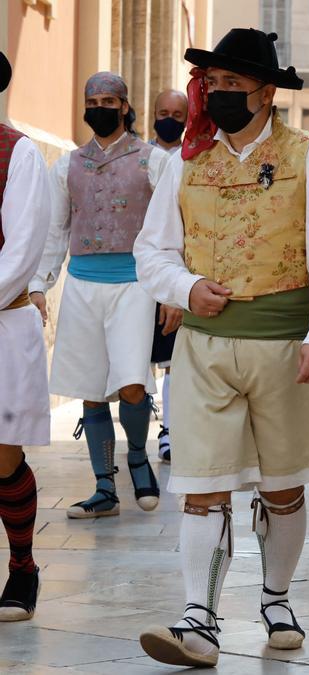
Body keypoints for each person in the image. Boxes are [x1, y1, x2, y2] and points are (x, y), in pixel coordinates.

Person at [133, 28, 309, 667]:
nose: (221, 94)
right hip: (204, 349)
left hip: (284, 344)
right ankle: (198, 621)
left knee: (282, 487)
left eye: (234, 85)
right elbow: (150, 250)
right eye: (214, 84)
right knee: (201, 485)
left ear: (266, 93)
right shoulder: (185, 160)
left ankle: (277, 597)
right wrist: (185, 285)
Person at [29, 72, 170, 519]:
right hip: (82, 284)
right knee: (91, 389)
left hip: (134, 284)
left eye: (110, 99)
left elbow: (172, 229)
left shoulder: (153, 161)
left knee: (131, 382)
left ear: (126, 106)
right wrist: (39, 284)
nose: (101, 107)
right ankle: (104, 487)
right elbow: (55, 229)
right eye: (93, 100)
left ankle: (138, 458)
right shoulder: (66, 165)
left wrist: (173, 289)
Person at [0, 51, 53, 622]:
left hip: (2, 322)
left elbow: (19, 254)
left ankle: (22, 568)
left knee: (2, 456)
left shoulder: (19, 154)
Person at [149, 88, 190, 463]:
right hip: (131, 278)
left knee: (173, 360)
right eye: (164, 112)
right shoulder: (138, 158)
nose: (170, 119)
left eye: (179, 114)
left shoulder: (191, 160)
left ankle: (170, 430)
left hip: (175, 276)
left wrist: (175, 290)